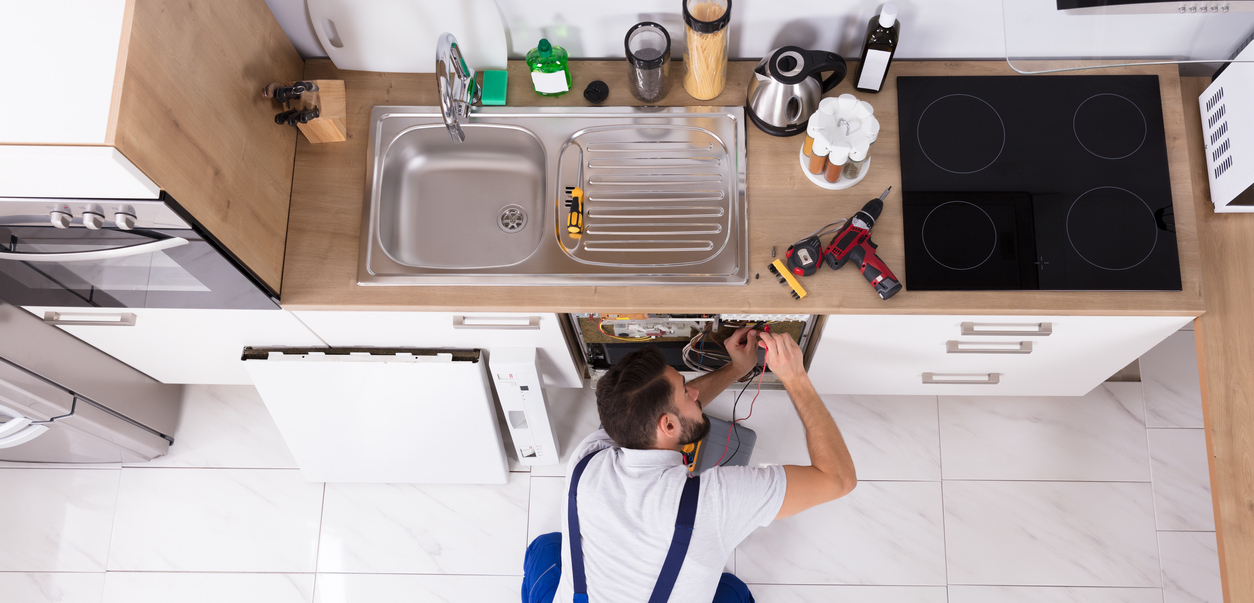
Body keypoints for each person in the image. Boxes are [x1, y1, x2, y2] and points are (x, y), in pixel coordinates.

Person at [521, 327, 858, 603]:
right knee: (732, 592)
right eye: (686, 391)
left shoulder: (589, 456)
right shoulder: (716, 500)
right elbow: (838, 479)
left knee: (548, 547)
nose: (694, 393)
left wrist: (736, 369)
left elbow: (650, 411)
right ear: (667, 426)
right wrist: (796, 377)